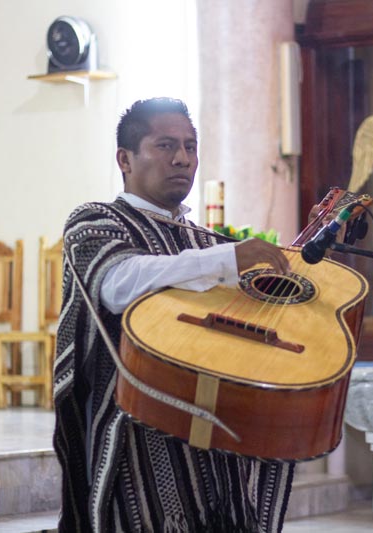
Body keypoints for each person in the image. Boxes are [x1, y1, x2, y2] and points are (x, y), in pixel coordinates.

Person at [54, 97, 294, 532]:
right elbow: (119, 283)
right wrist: (226, 259)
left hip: (214, 434)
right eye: (165, 145)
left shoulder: (204, 240)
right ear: (124, 159)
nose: (183, 158)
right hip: (135, 434)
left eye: (190, 145)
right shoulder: (95, 222)